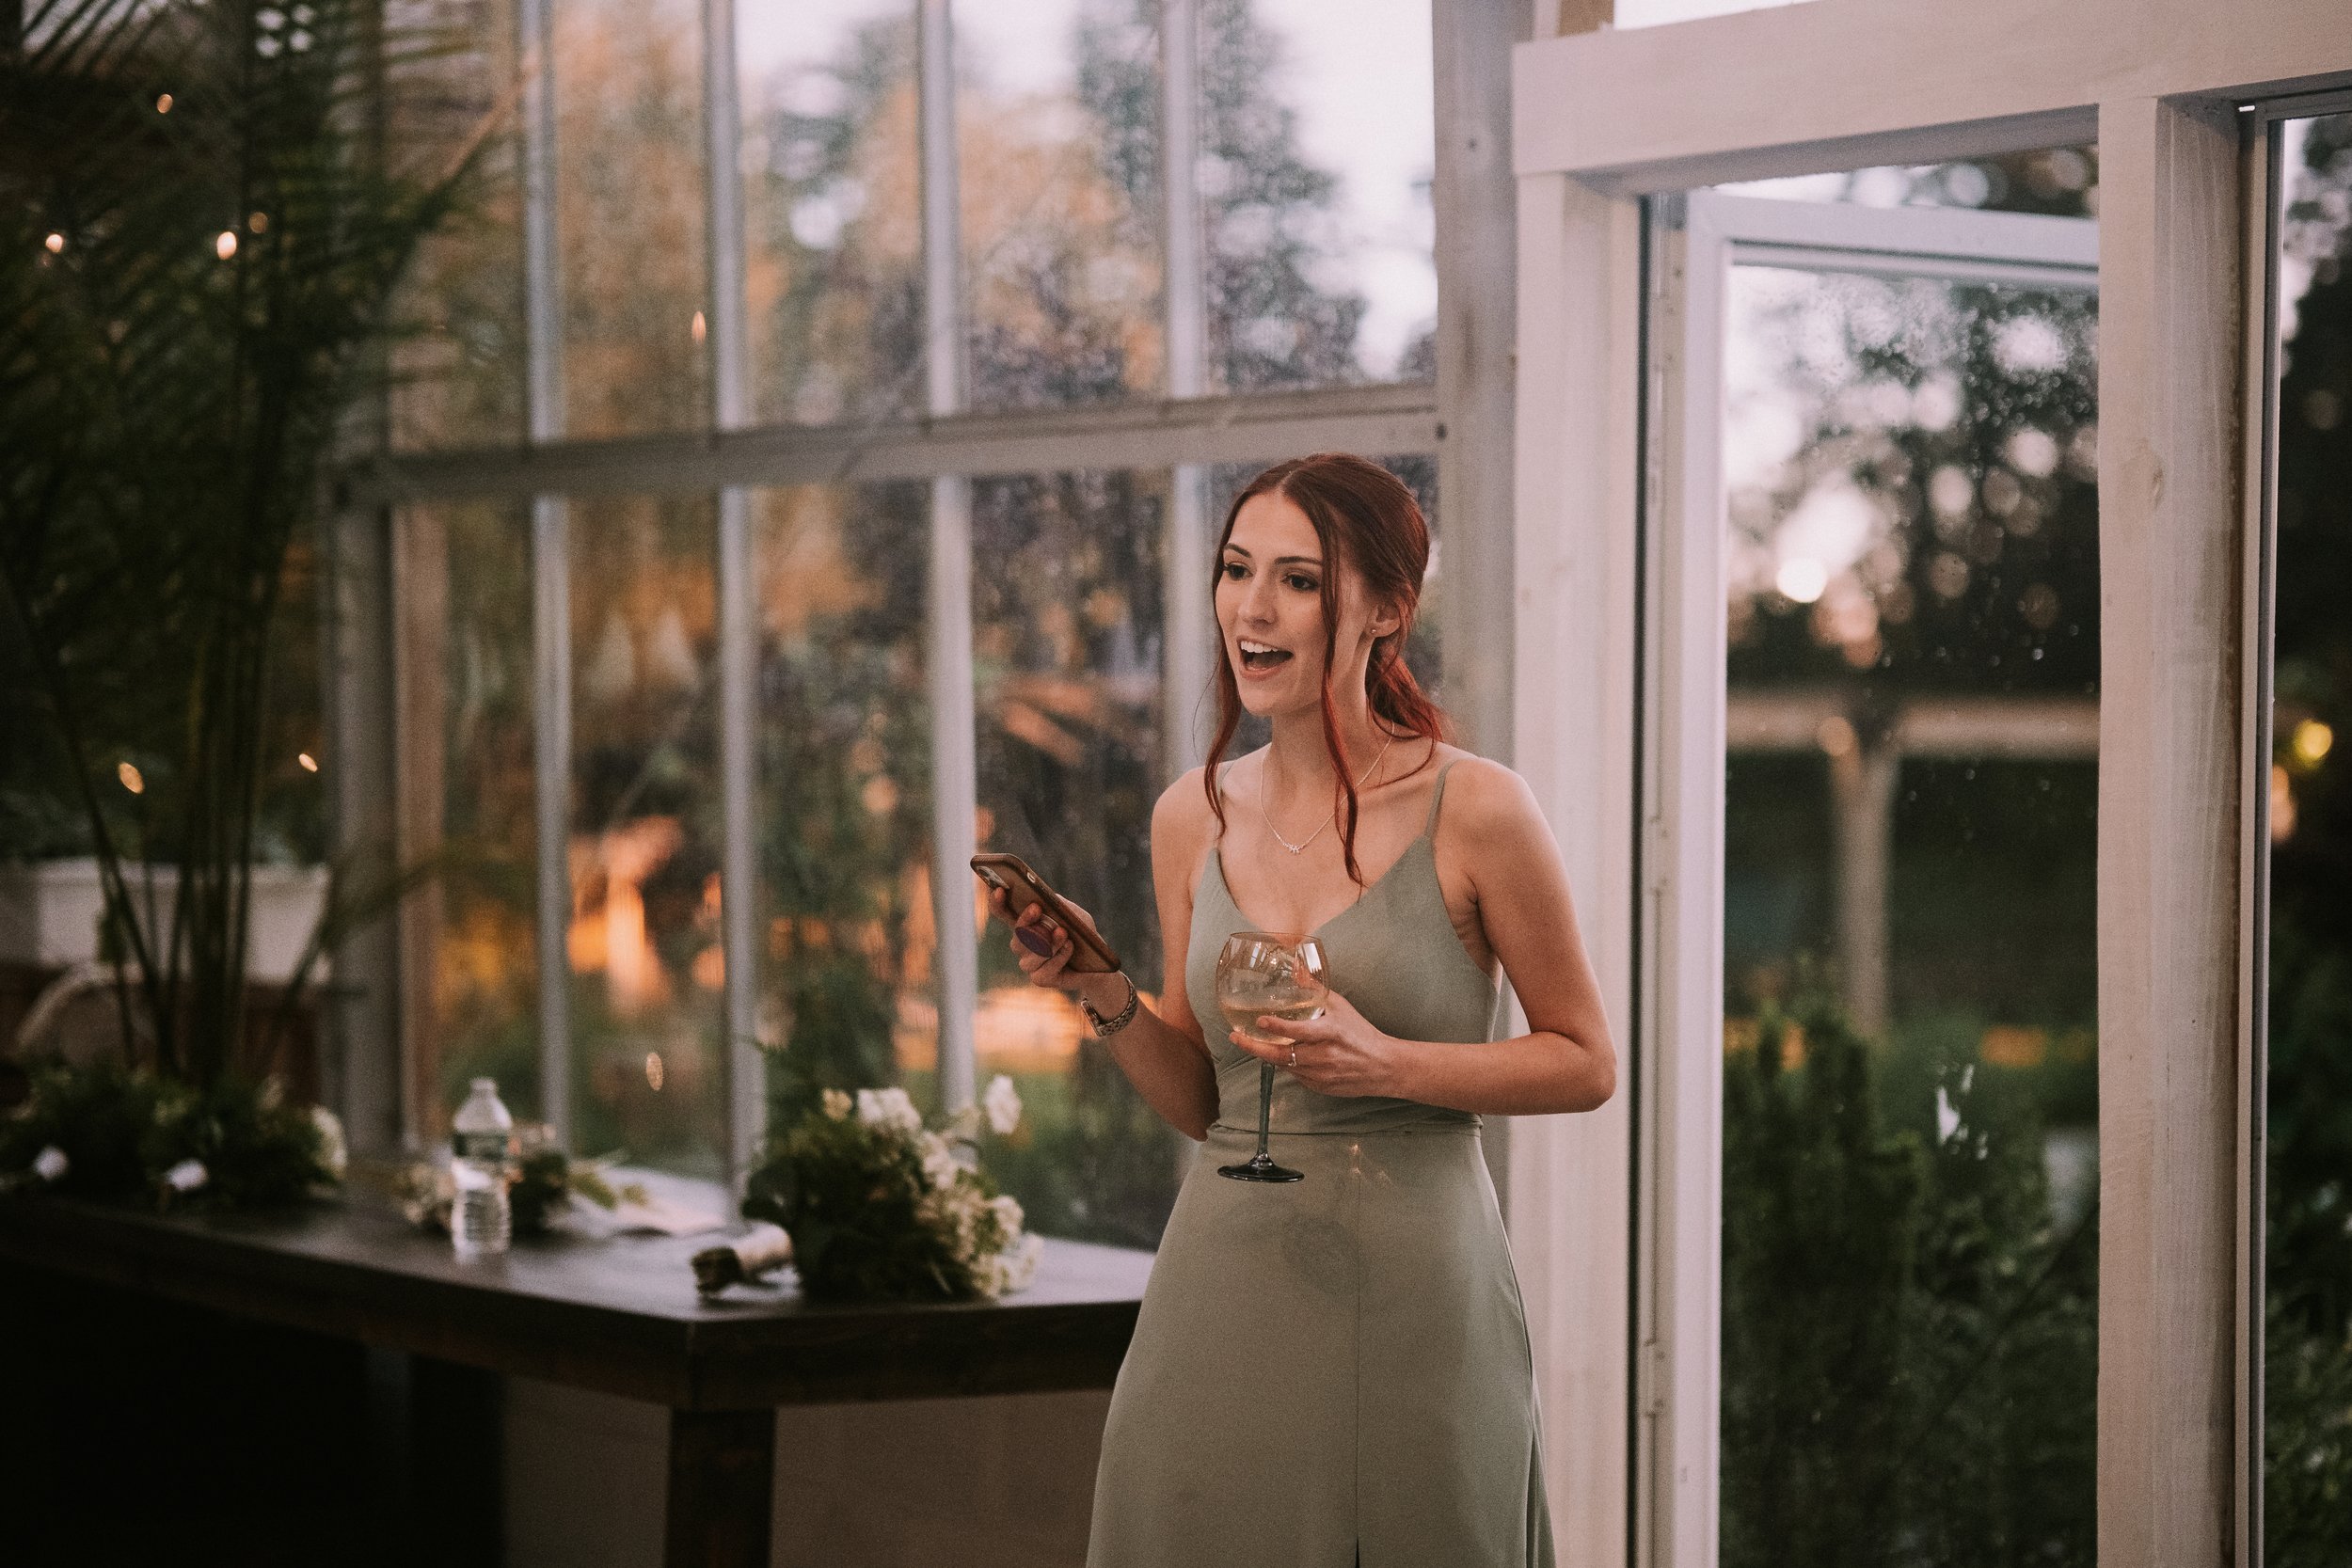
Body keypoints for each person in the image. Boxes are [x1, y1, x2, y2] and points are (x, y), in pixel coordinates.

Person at [987, 451, 1615, 1567]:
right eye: (1236, 570)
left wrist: (1387, 1062)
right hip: (1220, 1289)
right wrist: (1097, 985)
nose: (1253, 608)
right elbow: (1206, 1100)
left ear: (1387, 609)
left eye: (1300, 579)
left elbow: (1584, 1060)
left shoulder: (1477, 808)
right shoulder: (1191, 815)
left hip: (1419, 1296)